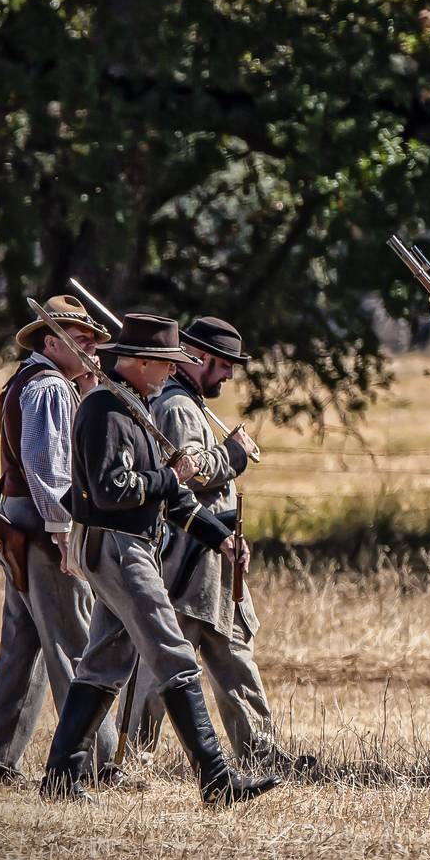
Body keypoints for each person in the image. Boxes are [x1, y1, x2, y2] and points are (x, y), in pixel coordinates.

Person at [40, 314, 280, 806]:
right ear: (143, 361)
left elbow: (174, 502)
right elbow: (112, 491)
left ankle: (61, 776)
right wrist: (173, 477)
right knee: (172, 653)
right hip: (118, 545)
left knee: (103, 664)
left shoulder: (134, 407)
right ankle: (215, 776)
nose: (172, 372)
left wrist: (220, 538)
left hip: (130, 543)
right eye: (166, 363)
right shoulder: (106, 411)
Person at [126, 316, 314, 774]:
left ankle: (262, 755)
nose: (229, 376)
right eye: (225, 365)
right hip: (191, 557)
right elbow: (193, 473)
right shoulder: (177, 407)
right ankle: (129, 762)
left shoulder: (188, 401)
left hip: (218, 549)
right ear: (204, 358)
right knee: (164, 663)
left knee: (234, 655)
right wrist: (232, 454)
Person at [0, 296, 122, 788]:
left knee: (23, 648)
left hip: (23, 524)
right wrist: (65, 535)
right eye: (82, 341)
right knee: (77, 644)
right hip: (44, 529)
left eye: (94, 341)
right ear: (51, 342)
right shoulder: (50, 387)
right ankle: (98, 763)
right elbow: (48, 470)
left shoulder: (30, 381)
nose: (92, 348)